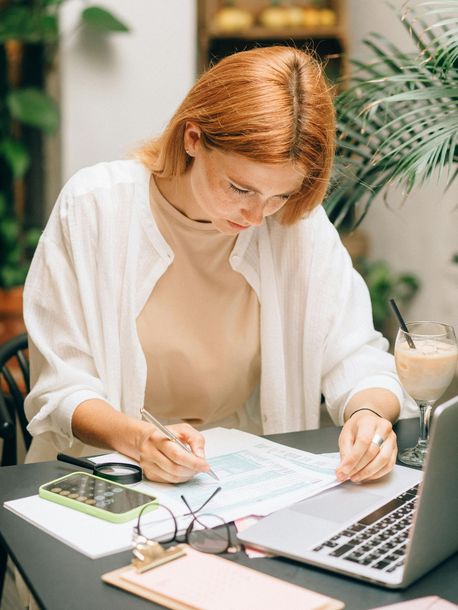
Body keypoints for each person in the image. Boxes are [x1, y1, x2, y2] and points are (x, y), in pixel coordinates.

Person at [23, 46, 415, 486]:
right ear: (193, 138)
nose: (255, 216)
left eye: (279, 195)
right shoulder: (94, 207)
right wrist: (141, 441)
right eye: (240, 188)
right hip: (108, 473)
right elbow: (61, 388)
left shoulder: (294, 225)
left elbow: (355, 353)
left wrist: (369, 414)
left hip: (240, 477)